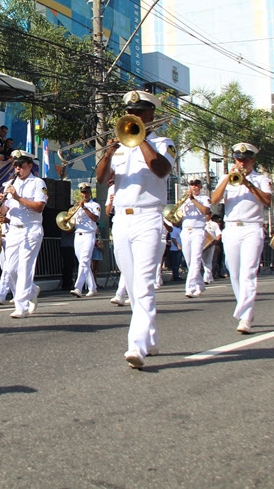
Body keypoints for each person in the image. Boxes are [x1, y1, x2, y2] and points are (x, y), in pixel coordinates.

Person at [95, 90, 174, 368]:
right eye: (131, 113)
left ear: (151, 115)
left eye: (139, 113)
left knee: (142, 284)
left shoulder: (163, 143)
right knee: (132, 285)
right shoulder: (121, 145)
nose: (134, 117)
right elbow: (102, 179)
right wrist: (108, 152)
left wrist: (140, 141)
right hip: (121, 220)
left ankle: (136, 345)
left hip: (148, 218)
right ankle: (150, 337)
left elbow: (161, 170)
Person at [211, 142, 273, 335]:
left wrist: (248, 183)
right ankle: (245, 308)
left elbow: (267, 201)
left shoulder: (261, 179)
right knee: (234, 271)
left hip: (252, 227)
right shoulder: (227, 178)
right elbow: (214, 200)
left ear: (252, 160)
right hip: (231, 228)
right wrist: (228, 178)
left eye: (245, 160)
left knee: (248, 272)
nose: (242, 163)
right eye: (239, 160)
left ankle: (245, 316)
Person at [0, 150, 48, 319]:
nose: (17, 169)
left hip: (31, 228)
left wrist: (18, 197)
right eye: (15, 165)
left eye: (21, 165)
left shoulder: (38, 183)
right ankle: (32, 290)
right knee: (10, 268)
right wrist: (2, 203)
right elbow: (5, 211)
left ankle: (22, 307)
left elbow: (39, 207)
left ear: (29, 166)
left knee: (25, 266)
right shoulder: (8, 185)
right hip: (14, 229)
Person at [68, 183, 102, 298]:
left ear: (90, 192)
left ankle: (78, 288)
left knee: (84, 261)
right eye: (82, 192)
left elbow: (95, 218)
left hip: (89, 235)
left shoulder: (95, 205)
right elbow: (72, 222)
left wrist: (84, 208)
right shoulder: (76, 206)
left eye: (86, 192)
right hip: (78, 235)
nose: (84, 195)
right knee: (84, 263)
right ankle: (92, 287)